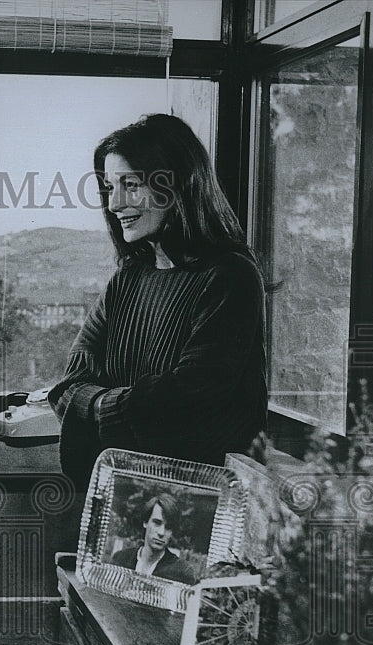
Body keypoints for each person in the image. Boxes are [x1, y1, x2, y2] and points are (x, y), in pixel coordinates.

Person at [49, 114, 267, 489]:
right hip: (124, 496)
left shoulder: (230, 276)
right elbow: (67, 387)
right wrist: (127, 406)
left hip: (200, 503)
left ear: (178, 185)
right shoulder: (127, 280)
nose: (115, 204)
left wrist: (98, 406)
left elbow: (189, 399)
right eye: (109, 187)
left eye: (130, 185)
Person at [109, 494, 197, 585]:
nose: (161, 532)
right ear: (145, 522)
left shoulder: (182, 572)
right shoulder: (120, 559)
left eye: (168, 527)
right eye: (157, 523)